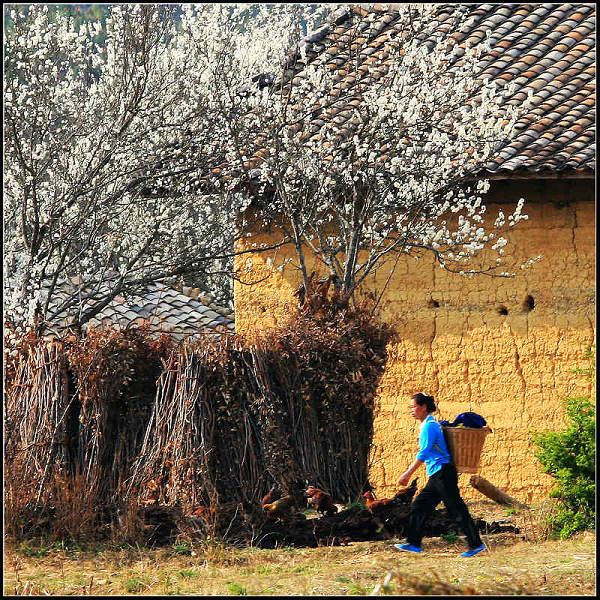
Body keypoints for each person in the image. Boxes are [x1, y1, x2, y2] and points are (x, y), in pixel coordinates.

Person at [394, 392, 486, 557]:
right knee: (419, 506)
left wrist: (407, 474)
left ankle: (476, 544)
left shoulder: (429, 426)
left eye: (414, 406)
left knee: (456, 509)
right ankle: (414, 543)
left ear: (423, 407)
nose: (411, 410)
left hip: (443, 474)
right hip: (437, 474)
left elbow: (424, 452)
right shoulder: (428, 424)